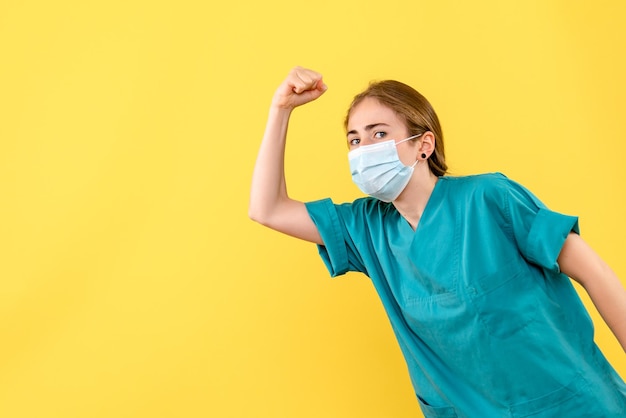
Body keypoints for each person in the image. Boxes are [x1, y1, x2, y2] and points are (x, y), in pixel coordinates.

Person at [249, 66, 626, 417]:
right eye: (354, 139)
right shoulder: (366, 229)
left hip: (571, 404)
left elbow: (593, 271)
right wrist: (280, 109)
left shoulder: (488, 198)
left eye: (379, 134)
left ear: (423, 145)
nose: (365, 149)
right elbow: (267, 209)